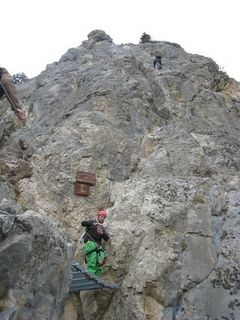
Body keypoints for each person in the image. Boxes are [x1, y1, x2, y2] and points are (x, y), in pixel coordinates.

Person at [81, 210, 109, 277]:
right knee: (92, 259)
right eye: (101, 216)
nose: (102, 218)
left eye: (103, 217)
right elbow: (83, 223)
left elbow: (106, 238)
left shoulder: (103, 227)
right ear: (98, 216)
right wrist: (92, 224)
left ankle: (97, 277)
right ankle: (91, 276)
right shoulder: (93, 222)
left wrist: (102, 233)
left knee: (99, 262)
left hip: (98, 246)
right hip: (90, 243)